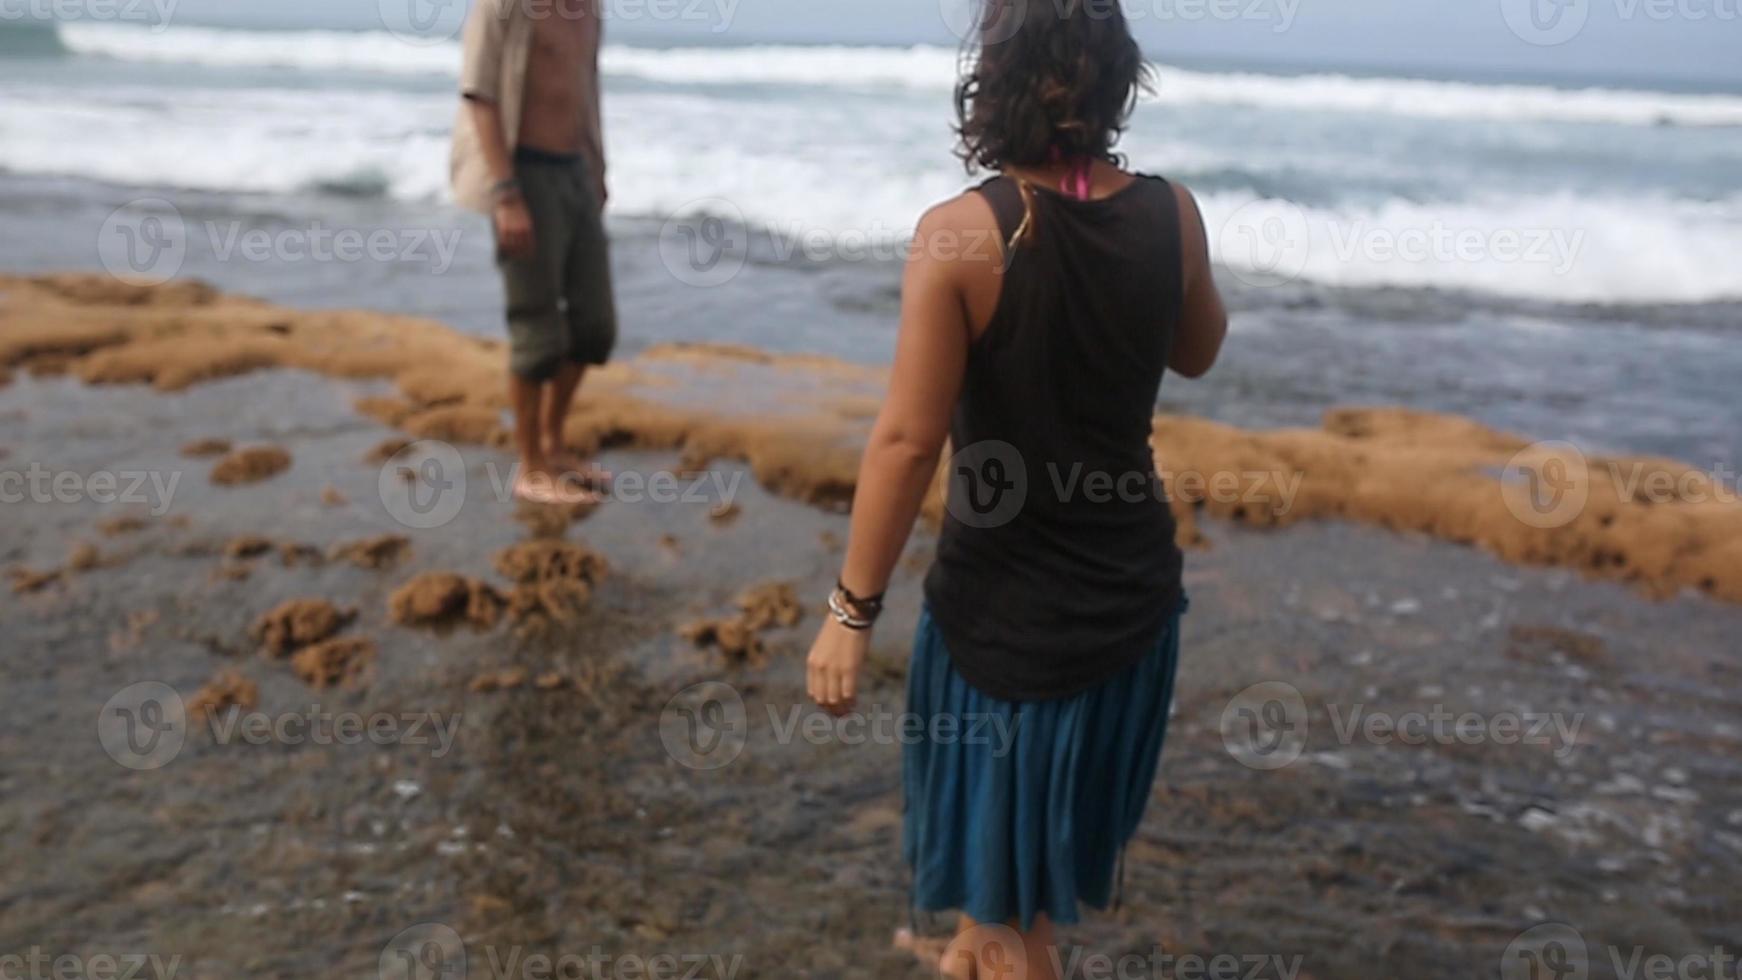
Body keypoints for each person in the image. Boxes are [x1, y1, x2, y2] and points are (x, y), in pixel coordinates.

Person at [801, 0, 1229, 975]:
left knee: (1007, 930)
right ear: (1115, 77)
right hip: (1128, 615)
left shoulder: (960, 235)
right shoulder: (1173, 214)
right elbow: (1198, 351)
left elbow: (908, 440)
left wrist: (848, 609)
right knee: (997, 911)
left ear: (992, 76)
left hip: (1004, 637)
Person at [452, 0, 616, 505]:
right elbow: (480, 95)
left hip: (575, 171)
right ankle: (530, 468)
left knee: (594, 326)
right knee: (537, 332)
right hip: (522, 173)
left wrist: (598, 169)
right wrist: (507, 194)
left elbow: (584, 91)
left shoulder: (590, 7)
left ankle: (553, 442)